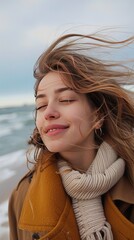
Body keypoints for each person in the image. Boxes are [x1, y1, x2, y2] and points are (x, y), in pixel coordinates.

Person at [8, 32, 134, 240]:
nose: (49, 112)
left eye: (65, 99)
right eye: (41, 105)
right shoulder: (23, 196)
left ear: (98, 115)